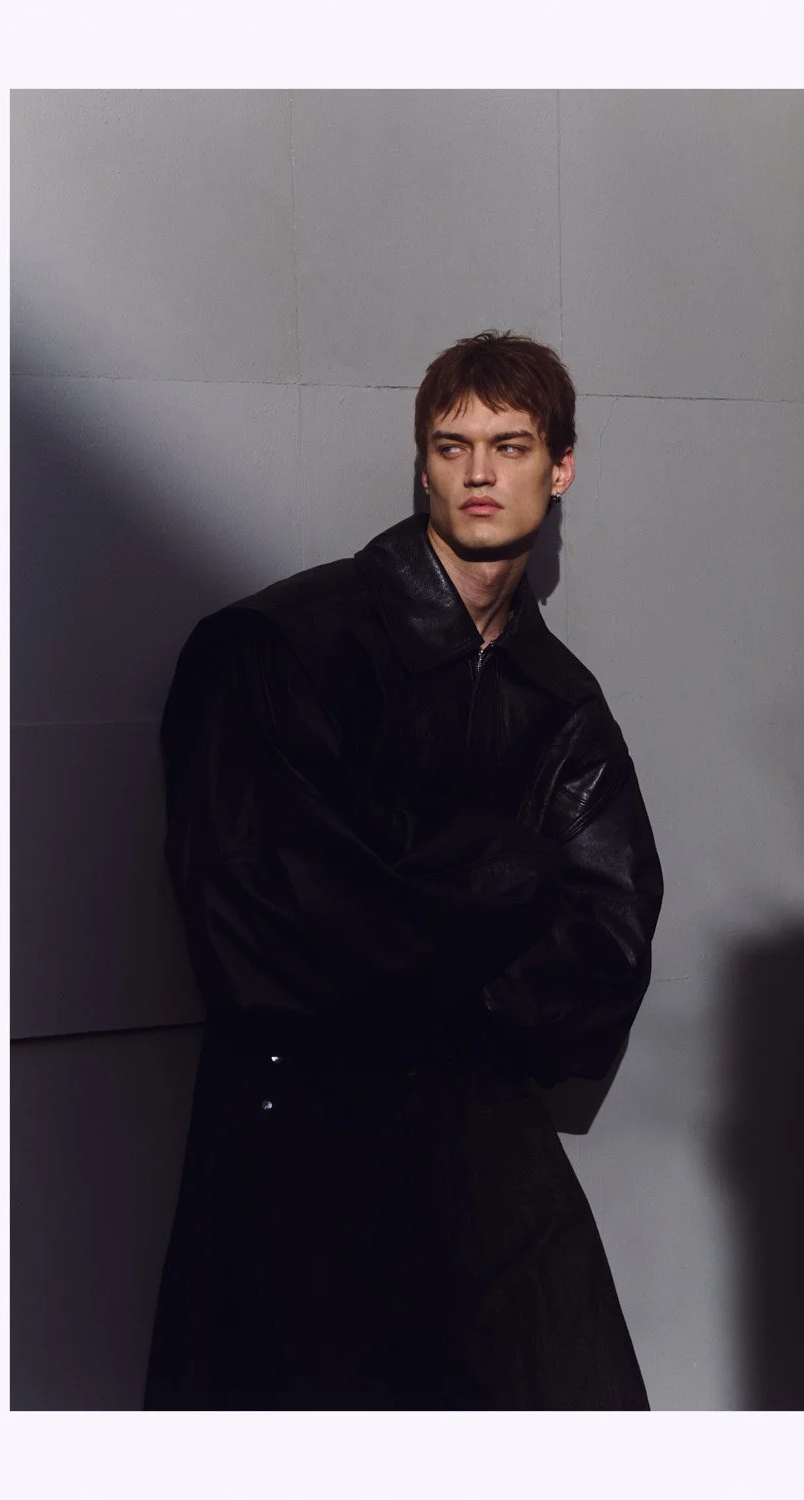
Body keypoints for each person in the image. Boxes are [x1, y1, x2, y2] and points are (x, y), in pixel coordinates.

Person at [143, 330, 664, 1410]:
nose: (480, 472)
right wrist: (509, 872)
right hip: (297, 1147)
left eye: (511, 445)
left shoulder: (563, 703)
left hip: (480, 1158)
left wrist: (407, 892)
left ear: (558, 468)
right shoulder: (282, 646)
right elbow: (255, 930)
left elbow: (599, 971)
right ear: (421, 463)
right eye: (452, 443)